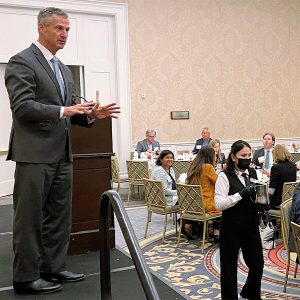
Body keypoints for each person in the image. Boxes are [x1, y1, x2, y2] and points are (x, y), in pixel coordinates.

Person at [4, 7, 120, 295]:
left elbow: (71, 111)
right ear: (42, 28)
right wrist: (64, 110)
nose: (65, 35)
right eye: (59, 28)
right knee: (29, 219)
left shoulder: (62, 69)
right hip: (34, 154)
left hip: (62, 154)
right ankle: (26, 277)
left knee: (59, 216)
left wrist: (94, 115)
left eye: (67, 29)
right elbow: (22, 107)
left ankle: (52, 267)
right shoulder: (22, 62)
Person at [215, 140, 263, 300]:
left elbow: (255, 196)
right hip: (231, 227)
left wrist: (262, 203)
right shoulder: (224, 176)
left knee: (257, 264)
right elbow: (219, 204)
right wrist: (240, 194)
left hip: (251, 226)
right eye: (243, 155)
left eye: (249, 155)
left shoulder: (253, 173)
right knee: (229, 269)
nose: (247, 158)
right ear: (233, 157)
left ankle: (250, 292)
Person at [186, 146, 220, 240]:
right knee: (222, 205)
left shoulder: (193, 166)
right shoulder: (208, 167)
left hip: (194, 203)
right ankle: (217, 233)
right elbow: (218, 183)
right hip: (206, 203)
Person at [268, 144, 297, 209]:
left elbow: (271, 191)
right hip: (290, 201)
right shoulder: (293, 165)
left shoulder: (275, 168)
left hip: (278, 203)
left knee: (261, 203)